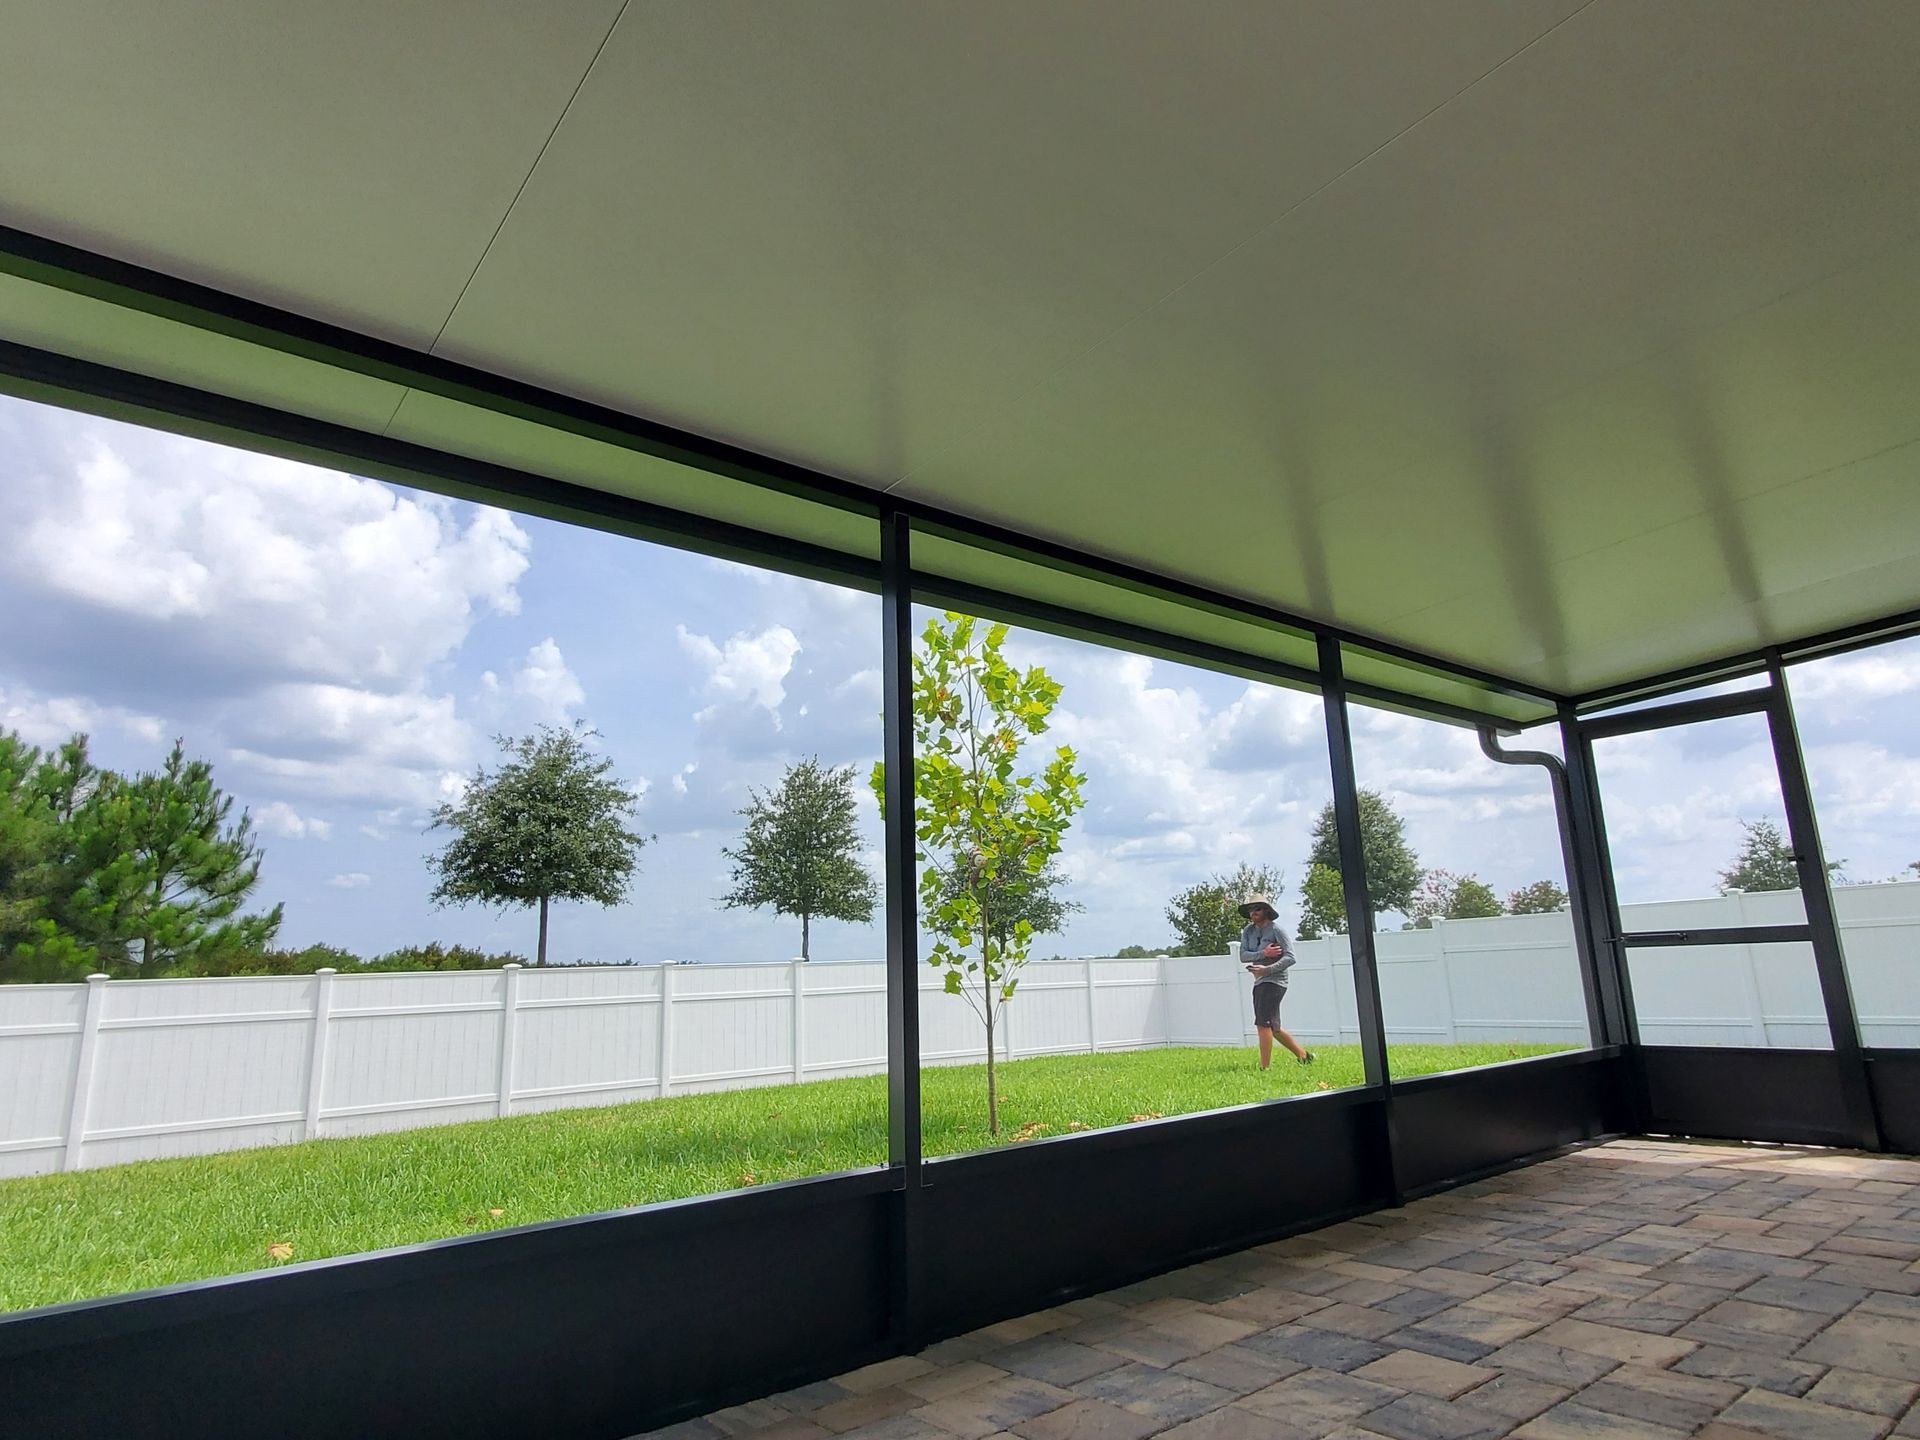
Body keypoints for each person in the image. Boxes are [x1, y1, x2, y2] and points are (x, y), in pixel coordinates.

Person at [1239, 896, 1314, 1069]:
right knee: (1273, 1027)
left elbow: (1291, 957)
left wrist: (1267, 969)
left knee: (1263, 1024)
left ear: (1266, 910)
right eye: (1250, 909)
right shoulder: (1248, 931)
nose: (1253, 912)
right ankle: (1304, 1056)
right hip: (1259, 980)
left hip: (1275, 981)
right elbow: (1243, 955)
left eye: (1257, 908)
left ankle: (1264, 1068)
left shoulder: (1277, 930)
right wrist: (1264, 953)